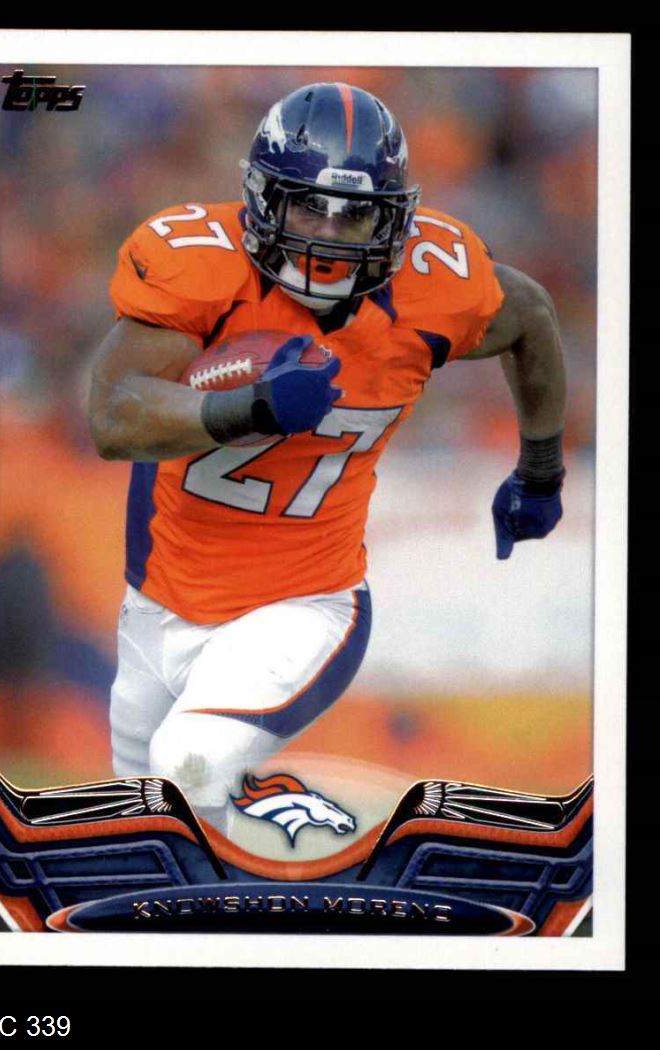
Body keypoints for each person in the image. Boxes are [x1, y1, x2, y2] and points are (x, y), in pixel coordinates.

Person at [89, 82, 566, 836]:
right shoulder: (203, 270)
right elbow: (112, 417)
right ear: (262, 200)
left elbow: (532, 315)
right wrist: (248, 409)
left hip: (305, 603)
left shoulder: (435, 287)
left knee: (188, 762)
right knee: (139, 831)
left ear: (395, 219)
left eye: (356, 214)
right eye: (309, 206)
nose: (331, 235)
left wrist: (540, 469)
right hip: (156, 602)